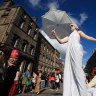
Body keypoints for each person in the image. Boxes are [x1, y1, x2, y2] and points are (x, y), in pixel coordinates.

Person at [52, 23, 96, 96]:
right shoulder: (69, 37)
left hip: (77, 50)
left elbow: (88, 37)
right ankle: (74, 91)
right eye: (70, 26)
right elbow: (61, 41)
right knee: (71, 69)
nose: (70, 27)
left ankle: (83, 91)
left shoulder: (79, 32)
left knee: (78, 68)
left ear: (76, 27)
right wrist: (55, 34)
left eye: (72, 25)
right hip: (70, 52)